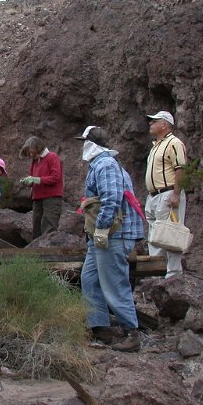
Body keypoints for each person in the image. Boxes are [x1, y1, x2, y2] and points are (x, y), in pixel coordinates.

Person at [75, 126, 145, 352]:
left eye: (84, 142)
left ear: (92, 143)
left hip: (113, 235)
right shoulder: (101, 164)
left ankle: (131, 332)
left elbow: (111, 197)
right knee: (90, 279)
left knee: (114, 283)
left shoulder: (105, 164)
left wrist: (102, 228)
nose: (82, 146)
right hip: (102, 236)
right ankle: (100, 328)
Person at [144, 110, 188, 278]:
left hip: (168, 193)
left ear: (165, 124)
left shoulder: (174, 143)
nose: (150, 123)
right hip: (154, 195)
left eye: (154, 121)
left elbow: (180, 168)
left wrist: (176, 193)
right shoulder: (156, 145)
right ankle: (156, 274)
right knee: (155, 235)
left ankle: (173, 275)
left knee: (171, 234)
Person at [19, 136, 64, 239]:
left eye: (30, 152)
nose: (30, 155)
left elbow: (55, 177)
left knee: (49, 227)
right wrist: (28, 181)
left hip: (52, 198)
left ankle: (48, 248)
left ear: (36, 148)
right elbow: (33, 177)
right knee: (36, 227)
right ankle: (36, 248)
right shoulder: (35, 161)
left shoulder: (52, 157)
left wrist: (36, 179)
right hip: (37, 198)